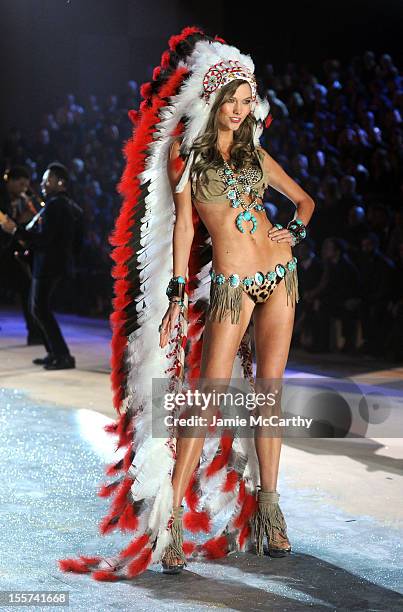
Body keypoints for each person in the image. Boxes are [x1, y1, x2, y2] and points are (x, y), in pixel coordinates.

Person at [58, 26, 315, 581]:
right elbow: (181, 233)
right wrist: (176, 294)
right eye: (237, 99)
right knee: (206, 399)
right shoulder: (188, 156)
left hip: (280, 277)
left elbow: (305, 200)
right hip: (229, 286)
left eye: (251, 101)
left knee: (268, 394)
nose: (244, 109)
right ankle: (170, 518)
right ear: (217, 100)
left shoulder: (256, 154)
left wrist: (293, 232)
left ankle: (271, 509)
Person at [0, 162, 83, 370]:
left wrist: (14, 230)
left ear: (61, 183)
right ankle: (54, 352)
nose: (43, 184)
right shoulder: (64, 205)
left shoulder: (57, 205)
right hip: (51, 264)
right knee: (38, 309)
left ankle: (62, 355)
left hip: (48, 265)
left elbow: (43, 239)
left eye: (48, 180)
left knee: (40, 309)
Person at [0, 165, 44, 344]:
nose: (24, 189)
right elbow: (5, 224)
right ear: (9, 181)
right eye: (21, 184)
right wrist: (20, 222)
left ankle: (34, 332)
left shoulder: (20, 200)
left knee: (26, 287)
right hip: (4, 248)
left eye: (26, 185)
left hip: (9, 251)